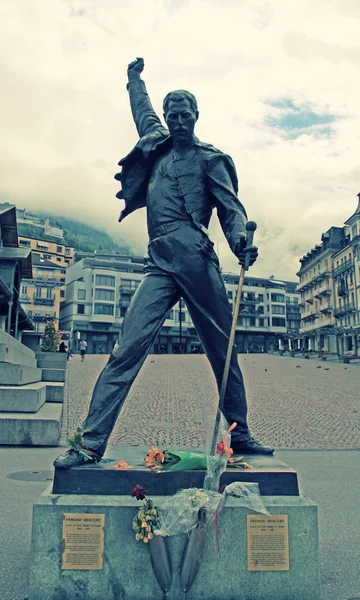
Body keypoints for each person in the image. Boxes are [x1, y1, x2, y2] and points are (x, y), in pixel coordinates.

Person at [54, 58, 273, 469]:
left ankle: (239, 431)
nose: (177, 121)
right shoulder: (156, 145)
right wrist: (133, 79)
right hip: (159, 262)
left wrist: (241, 239)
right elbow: (143, 110)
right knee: (126, 348)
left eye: (184, 115)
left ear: (196, 116)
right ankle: (89, 442)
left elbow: (231, 209)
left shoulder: (212, 159)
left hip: (195, 258)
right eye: (171, 115)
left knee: (221, 350)